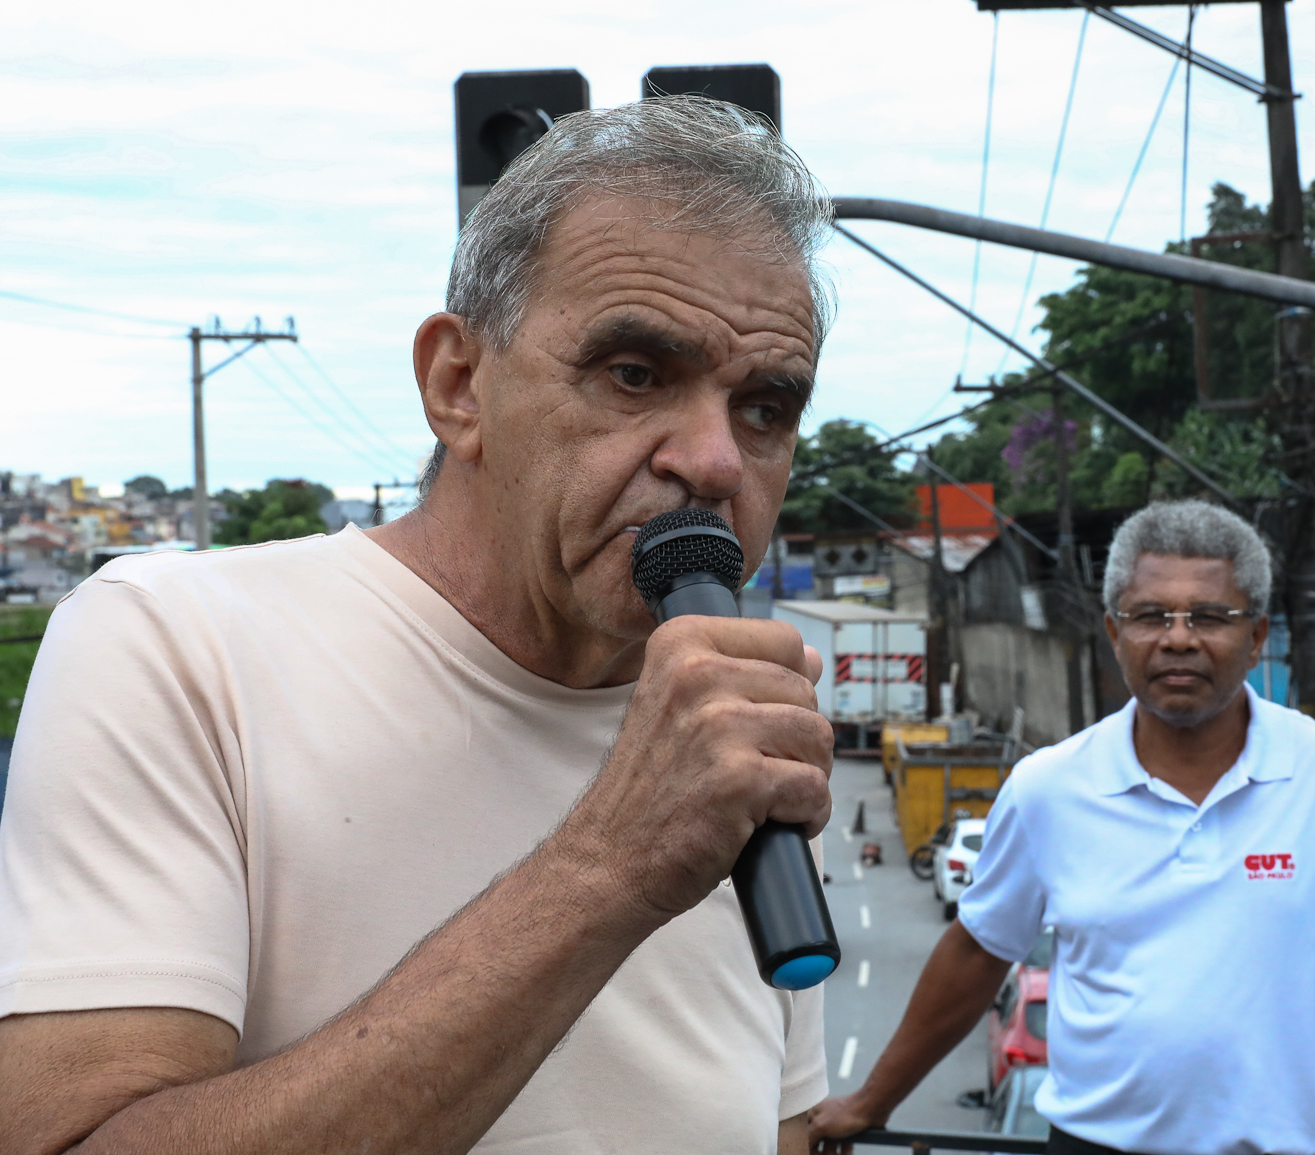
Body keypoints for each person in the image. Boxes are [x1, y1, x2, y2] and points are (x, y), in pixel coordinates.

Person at [0, 97, 837, 1155]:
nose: (715, 460)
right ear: (458, 385)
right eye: (635, 374)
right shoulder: (173, 648)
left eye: (765, 407)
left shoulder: (742, 728)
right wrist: (613, 865)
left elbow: (783, 1123)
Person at [810, 501, 1315, 1155]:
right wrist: (873, 1100)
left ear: (1257, 636)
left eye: (1209, 615)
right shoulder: (1050, 787)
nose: (1177, 638)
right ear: (1114, 633)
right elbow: (977, 951)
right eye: (1149, 615)